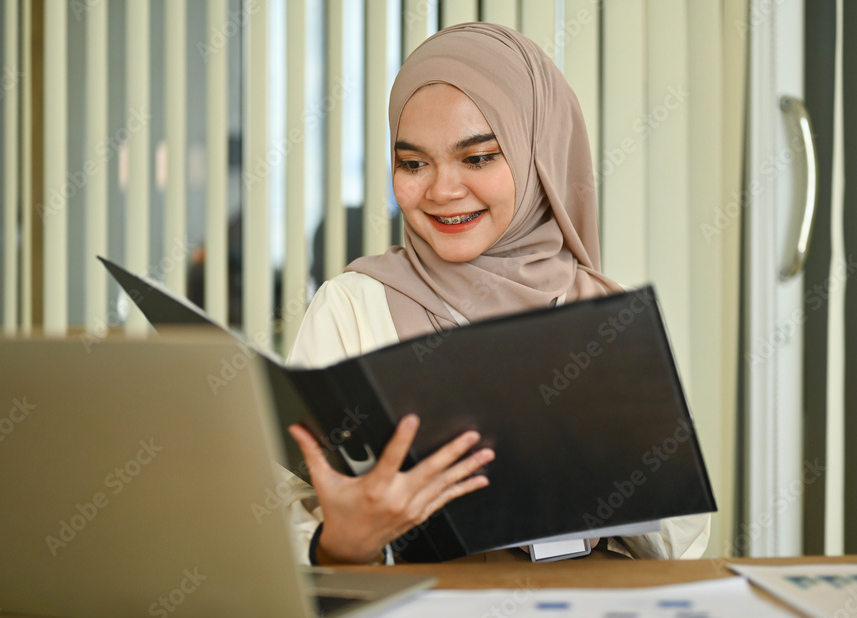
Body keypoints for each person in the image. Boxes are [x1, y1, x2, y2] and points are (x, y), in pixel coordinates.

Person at [283, 23, 710, 565]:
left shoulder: (607, 317)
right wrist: (340, 542)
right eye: (413, 164)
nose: (442, 189)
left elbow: (684, 541)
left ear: (540, 157)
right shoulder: (352, 307)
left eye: (478, 157)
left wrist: (611, 484)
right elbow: (282, 511)